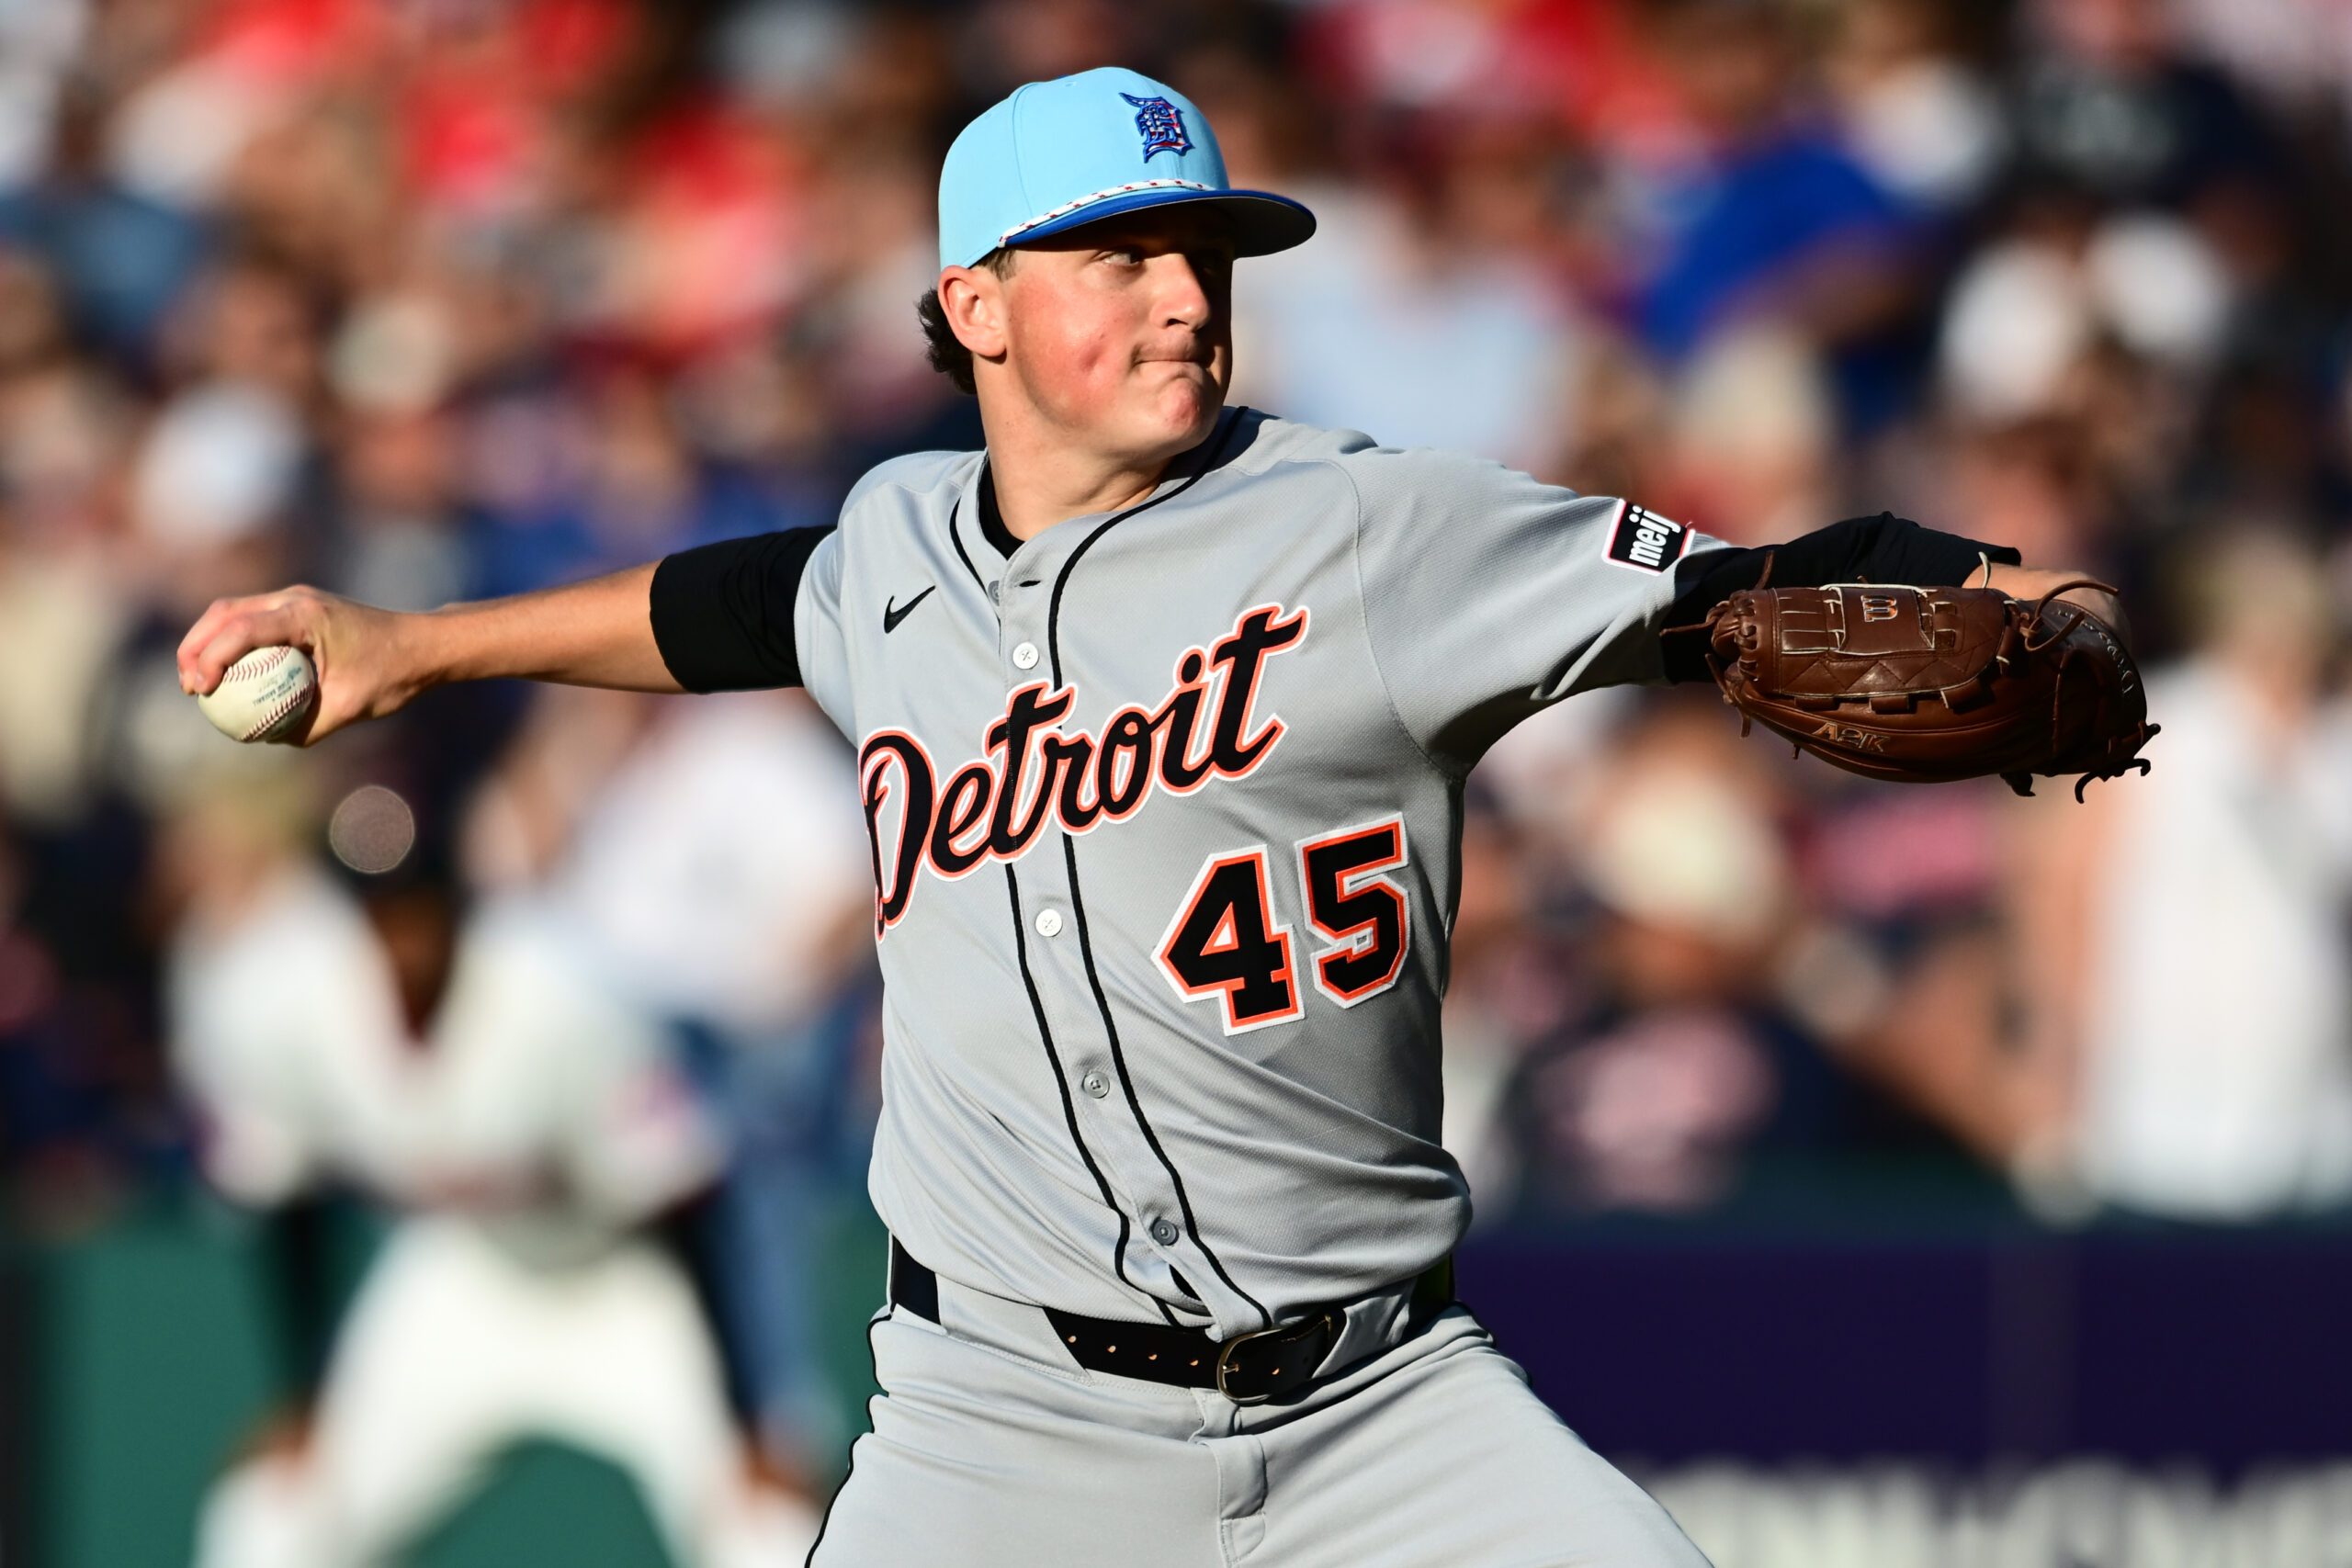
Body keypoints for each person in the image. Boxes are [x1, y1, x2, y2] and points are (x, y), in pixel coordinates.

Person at [178, 66, 2122, 1568]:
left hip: (1379, 1410)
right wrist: (413, 649)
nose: (1184, 297)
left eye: (1201, 255)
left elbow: (1743, 592)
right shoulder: (890, 553)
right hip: (990, 1422)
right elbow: (729, 604)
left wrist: (1956, 586)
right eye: (1118, 255)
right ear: (977, 305)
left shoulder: (1368, 528)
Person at [167, 792, 817, 1567]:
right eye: (378, 904)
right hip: (461, 1276)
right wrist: (305, 1395)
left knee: (771, 1531)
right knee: (274, 1515)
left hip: (624, 1283)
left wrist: (747, 1416)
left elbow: (688, 1197)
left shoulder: (559, 992)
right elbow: (284, 1198)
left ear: (456, 903)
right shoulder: (291, 1003)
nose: (401, 930)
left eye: (417, 902)